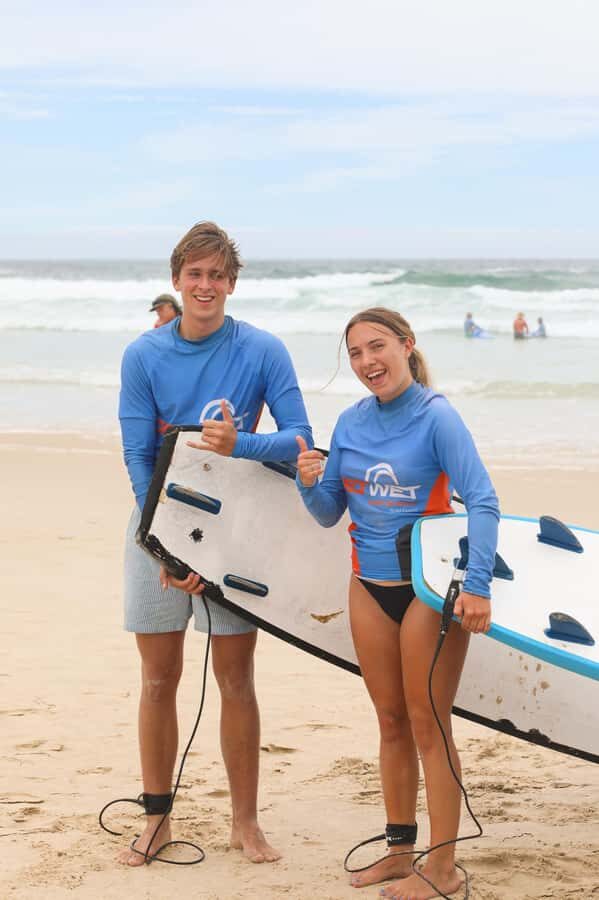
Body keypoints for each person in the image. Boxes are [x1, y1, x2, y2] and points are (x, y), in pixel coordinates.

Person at [118, 221, 312, 867]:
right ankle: (157, 822)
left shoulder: (261, 350)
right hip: (156, 528)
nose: (205, 285)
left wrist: (241, 445)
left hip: (234, 529)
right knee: (157, 680)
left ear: (231, 284)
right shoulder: (143, 355)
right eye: (194, 274)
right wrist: (164, 549)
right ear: (176, 281)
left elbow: (299, 439)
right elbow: (138, 453)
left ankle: (245, 824)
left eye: (216, 276)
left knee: (235, 681)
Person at [295, 307, 499, 899]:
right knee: (389, 722)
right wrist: (310, 481)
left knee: (428, 723)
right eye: (355, 354)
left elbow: (482, 502)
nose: (366, 362)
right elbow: (330, 512)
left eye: (376, 347)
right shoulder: (351, 423)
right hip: (367, 586)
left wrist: (478, 584)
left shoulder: (438, 418)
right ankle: (399, 851)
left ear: (407, 346)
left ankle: (442, 868)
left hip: (429, 590)